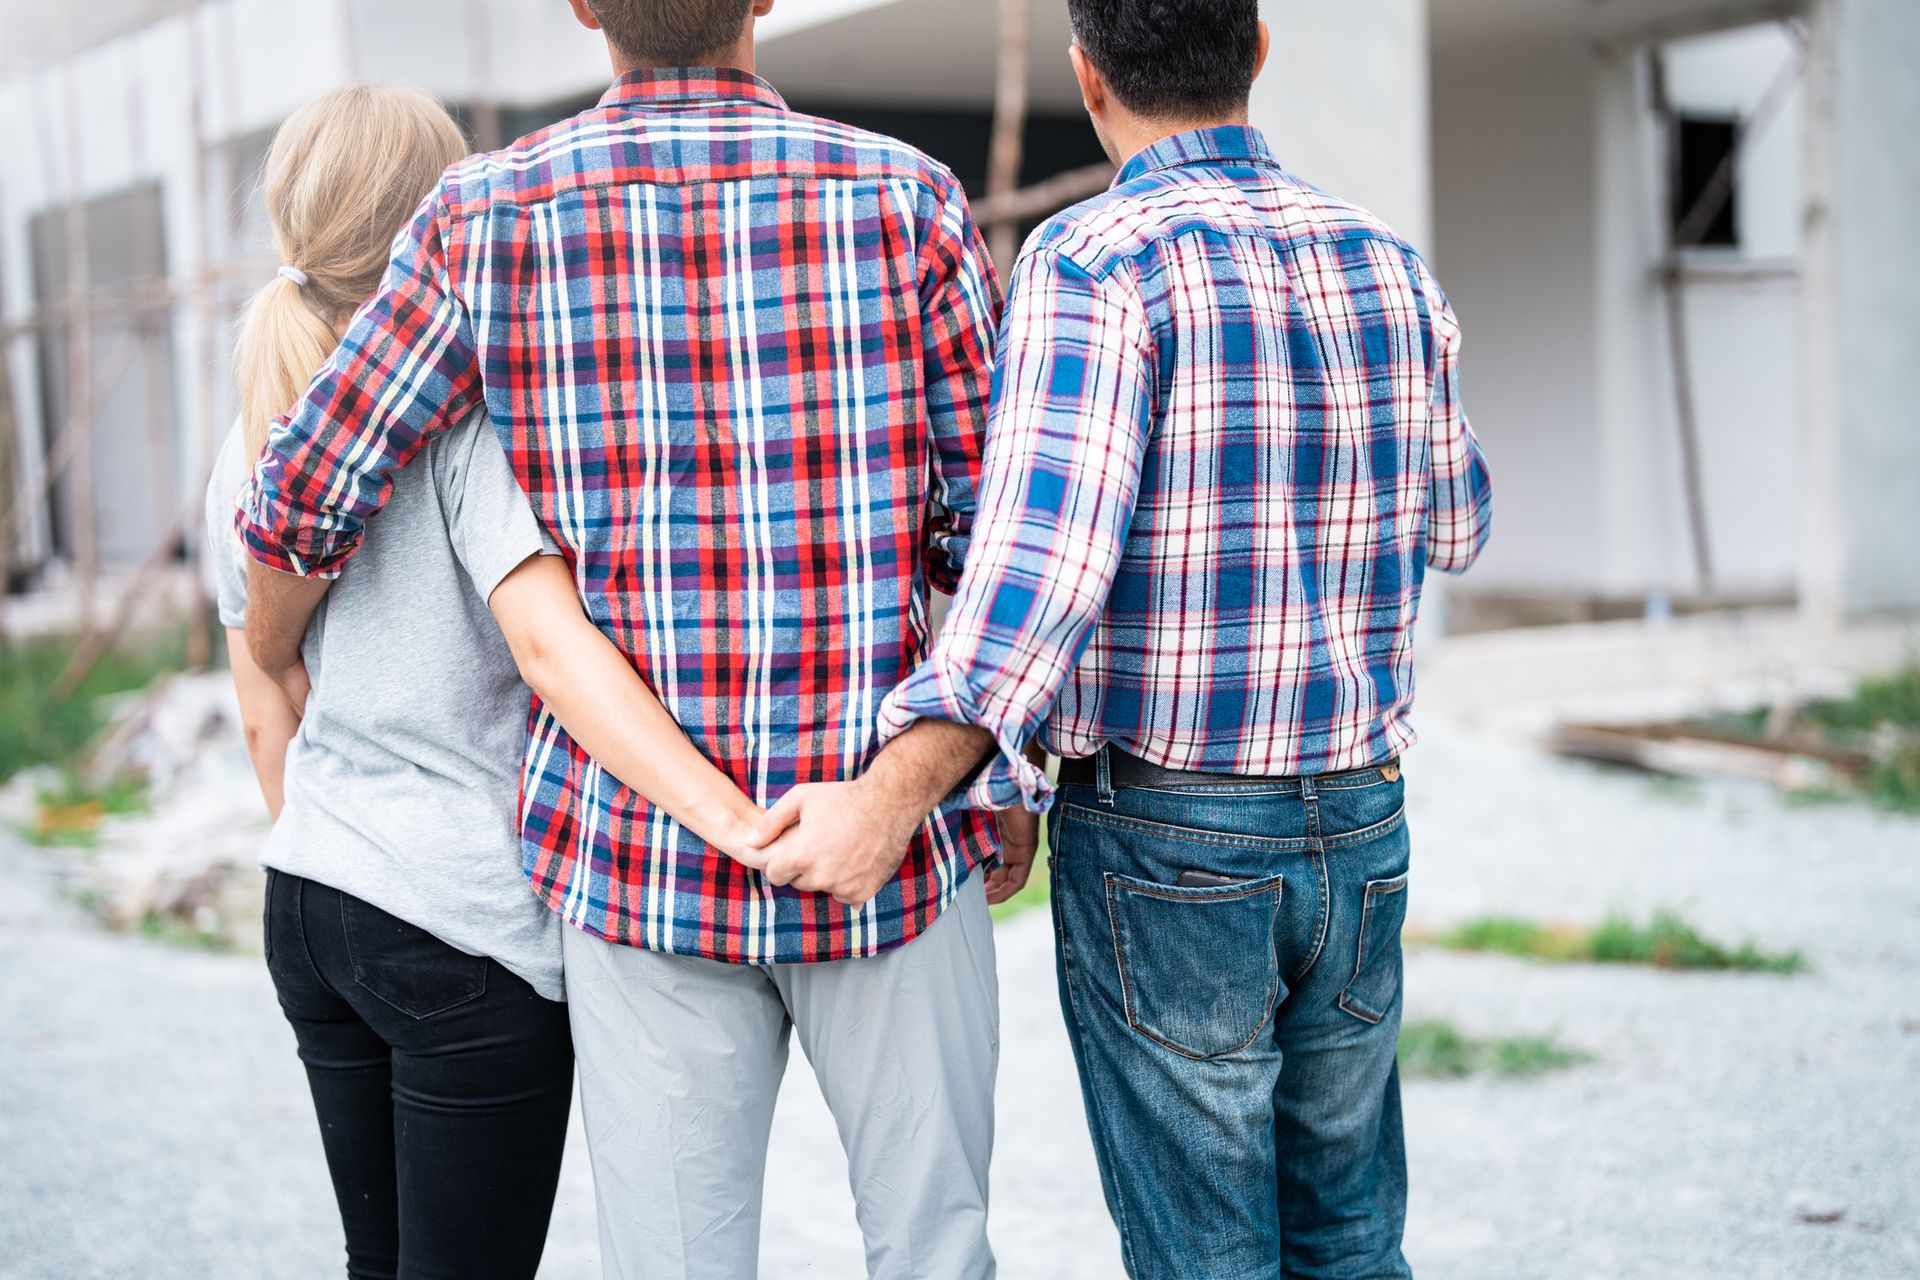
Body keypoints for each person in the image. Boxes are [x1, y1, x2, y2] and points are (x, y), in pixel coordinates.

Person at [230, 3, 1010, 1276]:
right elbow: (985, 547)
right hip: (889, 839)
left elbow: (305, 486)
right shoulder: (908, 198)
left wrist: (269, 651)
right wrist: (981, 776)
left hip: (639, 866)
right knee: (936, 1248)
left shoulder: (485, 217)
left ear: (584, 7)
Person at [758, 1, 1495, 1276]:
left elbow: (1039, 575)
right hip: (1363, 820)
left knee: (1208, 1252)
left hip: (1172, 838)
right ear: (1258, 53)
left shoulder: (1097, 259)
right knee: (1354, 1236)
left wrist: (904, 788)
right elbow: (1461, 520)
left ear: (1086, 77)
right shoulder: (1384, 256)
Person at [211, 84, 775, 1280]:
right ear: (438, 225)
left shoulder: (254, 432)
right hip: (460, 930)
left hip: (313, 897)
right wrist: (731, 816)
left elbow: (266, 694)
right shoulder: (469, 427)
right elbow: (552, 651)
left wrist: (351, 852)